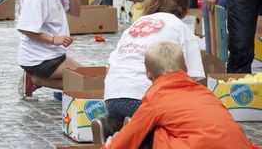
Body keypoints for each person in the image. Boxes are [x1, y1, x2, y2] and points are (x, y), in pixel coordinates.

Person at [103, 41, 253, 149]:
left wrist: (111, 145)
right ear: (185, 69)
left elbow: (132, 134)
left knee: (154, 132)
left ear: (148, 74)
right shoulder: (206, 93)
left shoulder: (155, 99)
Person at [102, 0, 205, 124]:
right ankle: (142, 131)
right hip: (144, 100)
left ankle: (118, 125)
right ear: (185, 11)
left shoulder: (137, 23)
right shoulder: (180, 28)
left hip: (112, 98)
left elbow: (110, 65)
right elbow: (193, 76)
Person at [17, 0, 82, 98]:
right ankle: (35, 79)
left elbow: (76, 12)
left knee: (84, 81)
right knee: (85, 82)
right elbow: (25, 28)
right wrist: (54, 40)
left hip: (54, 54)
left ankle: (58, 88)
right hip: (39, 58)